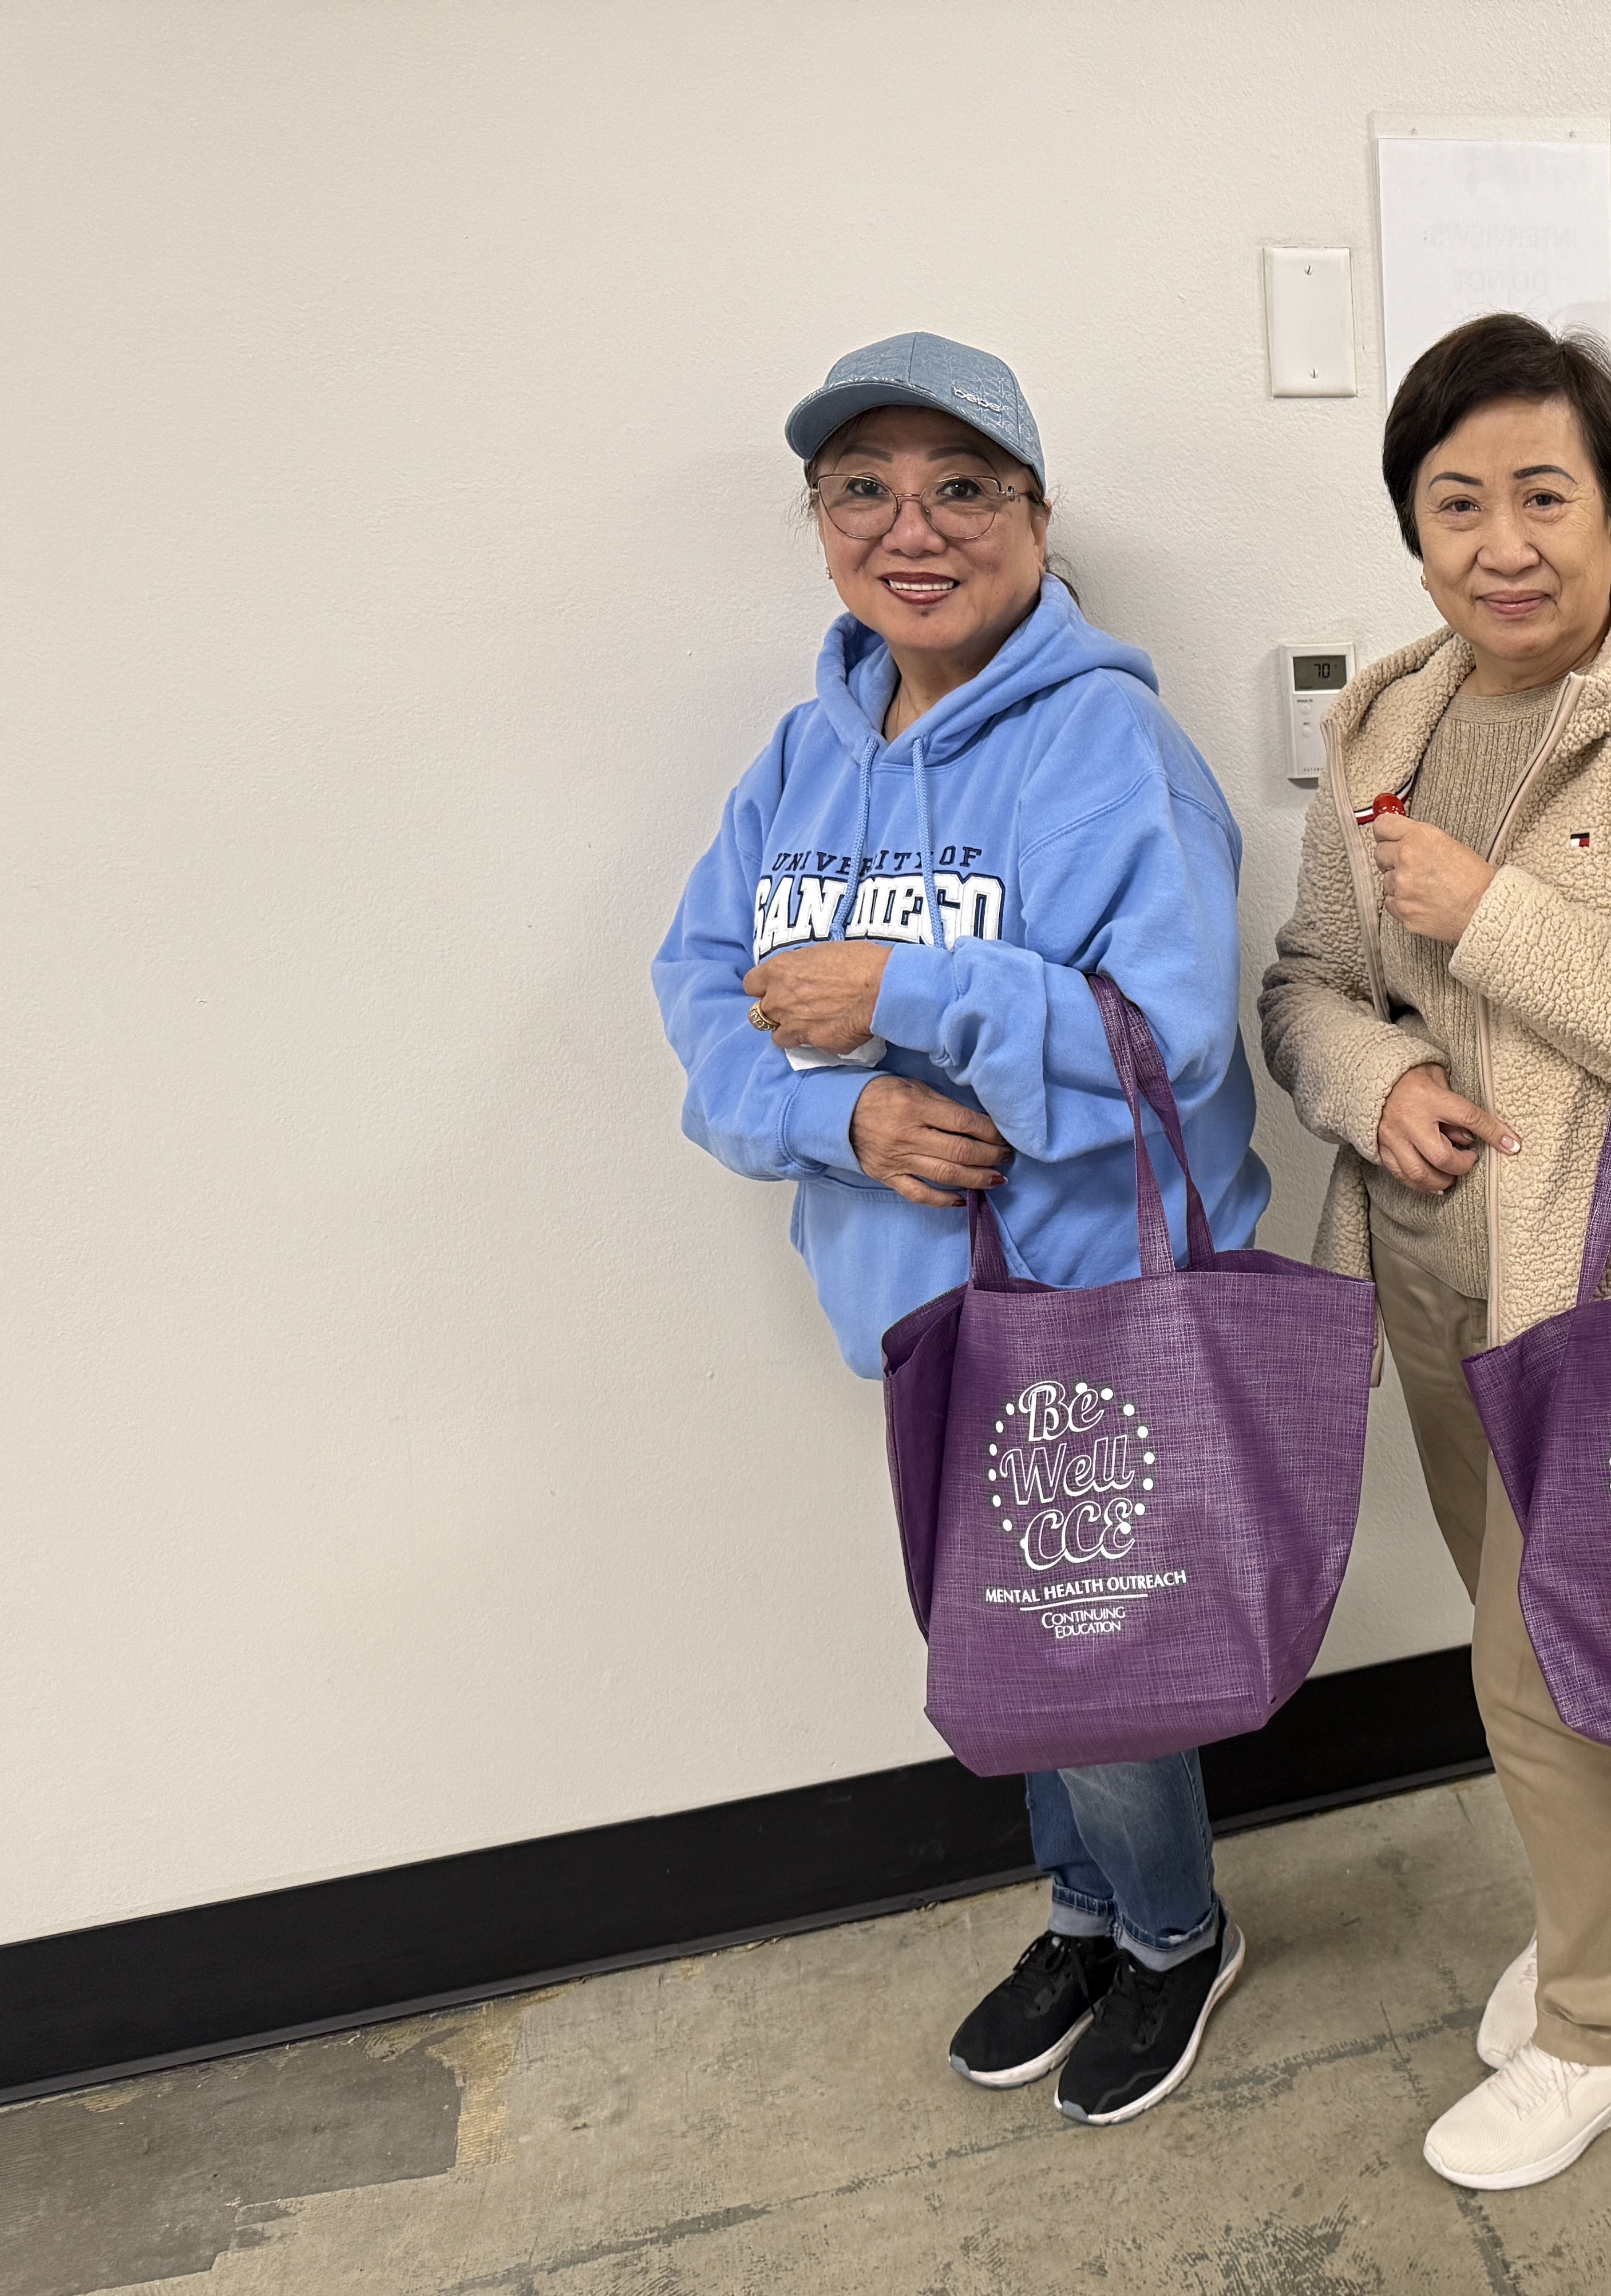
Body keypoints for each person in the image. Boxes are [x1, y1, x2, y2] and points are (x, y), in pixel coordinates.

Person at [654, 332, 1274, 2128]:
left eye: (962, 486)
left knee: (1102, 1656)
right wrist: (837, 1110)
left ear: (1036, 516)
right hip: (912, 1309)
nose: (911, 526)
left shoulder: (1111, 745)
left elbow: (1167, 1041)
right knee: (1006, 1637)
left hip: (1086, 1306)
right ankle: (1083, 1909)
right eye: (865, 488)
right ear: (821, 523)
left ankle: (1171, 1933)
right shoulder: (801, 758)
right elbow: (706, 997)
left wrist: (908, 987)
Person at [1258, 314, 1611, 2192]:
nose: (1503, 542)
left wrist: (1492, 914)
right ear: (1415, 529)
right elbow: (1311, 983)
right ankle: (1599, 1942)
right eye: (1456, 500)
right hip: (1428, 1266)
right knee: (1539, 1648)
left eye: (1544, 496)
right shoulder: (1392, 715)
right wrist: (1380, 1075)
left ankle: (1609, 2023)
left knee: (1539, 1665)